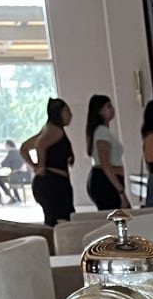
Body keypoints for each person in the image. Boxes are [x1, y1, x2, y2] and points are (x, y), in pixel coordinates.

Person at [20, 98, 75, 227]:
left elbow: (24, 148)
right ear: (58, 112)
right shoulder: (54, 130)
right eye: (67, 111)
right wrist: (40, 166)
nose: (70, 114)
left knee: (54, 222)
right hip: (53, 184)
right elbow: (40, 145)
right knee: (60, 223)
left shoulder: (48, 129)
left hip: (50, 183)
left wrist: (35, 166)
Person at [85, 95, 126, 212]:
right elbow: (105, 164)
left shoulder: (103, 131)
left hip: (106, 180)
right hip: (106, 182)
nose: (112, 109)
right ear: (100, 111)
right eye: (108, 106)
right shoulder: (101, 132)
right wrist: (120, 190)